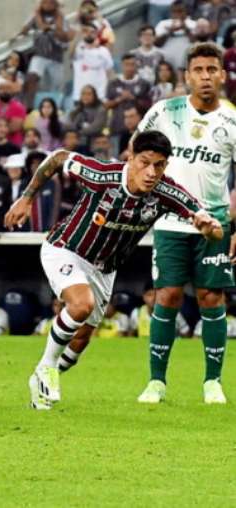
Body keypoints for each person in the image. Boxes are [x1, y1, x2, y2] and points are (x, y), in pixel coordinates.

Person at [4, 130, 223, 410]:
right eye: (144, 162)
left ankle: (44, 382)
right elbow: (58, 157)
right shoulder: (101, 175)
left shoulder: (167, 192)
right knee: (81, 305)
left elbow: (204, 220)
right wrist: (26, 198)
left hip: (105, 270)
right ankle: (45, 367)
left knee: (80, 341)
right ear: (130, 158)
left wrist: (210, 229)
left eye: (159, 165)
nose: (151, 172)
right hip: (66, 248)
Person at [134, 42, 236, 405]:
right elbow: (136, 152)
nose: (205, 76)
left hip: (216, 224)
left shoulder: (232, 120)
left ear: (222, 75)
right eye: (199, 70)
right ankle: (157, 382)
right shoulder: (165, 111)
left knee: (211, 297)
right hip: (170, 221)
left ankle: (213, 382)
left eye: (212, 70)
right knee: (168, 295)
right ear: (187, 75)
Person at [15, 0, 73, 97]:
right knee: (32, 77)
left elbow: (65, 37)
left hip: (56, 57)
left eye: (51, 2)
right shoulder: (36, 16)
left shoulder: (62, 18)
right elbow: (24, 29)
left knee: (57, 84)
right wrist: (36, 15)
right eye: (44, 2)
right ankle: (29, 104)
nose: (47, 5)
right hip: (40, 55)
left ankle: (54, 104)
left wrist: (54, 30)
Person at [104, 54, 151, 146]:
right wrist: (119, 99)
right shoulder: (113, 83)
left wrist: (132, 98)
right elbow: (106, 105)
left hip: (138, 131)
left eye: (132, 64)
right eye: (127, 64)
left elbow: (148, 106)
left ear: (137, 66)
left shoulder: (144, 83)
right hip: (117, 128)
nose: (129, 68)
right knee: (117, 157)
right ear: (122, 65)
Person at [70, 22, 113, 102]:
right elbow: (70, 53)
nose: (89, 34)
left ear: (96, 34)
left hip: (99, 95)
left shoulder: (103, 51)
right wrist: (78, 34)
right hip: (80, 96)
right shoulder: (78, 49)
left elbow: (109, 72)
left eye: (92, 32)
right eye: (86, 32)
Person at [155, 1, 197, 71]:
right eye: (174, 12)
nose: (177, 14)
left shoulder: (193, 24)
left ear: (186, 11)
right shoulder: (163, 24)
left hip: (188, 63)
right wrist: (169, 32)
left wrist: (186, 29)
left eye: (180, 11)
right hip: (167, 64)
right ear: (171, 12)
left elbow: (197, 42)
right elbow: (156, 44)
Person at [0, 80, 26, 146]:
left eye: (8, 89)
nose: (5, 91)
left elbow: (15, 127)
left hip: (14, 144)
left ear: (12, 92)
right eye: (2, 89)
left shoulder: (19, 107)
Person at [67, 84, 107, 148]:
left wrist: (77, 132)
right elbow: (69, 124)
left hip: (93, 145)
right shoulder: (76, 110)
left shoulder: (101, 110)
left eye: (89, 94)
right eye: (83, 94)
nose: (86, 96)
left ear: (94, 96)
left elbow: (95, 128)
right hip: (76, 145)